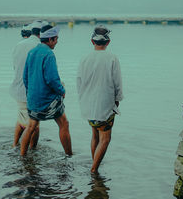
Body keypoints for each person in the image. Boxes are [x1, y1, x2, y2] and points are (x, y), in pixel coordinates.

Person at [76, 25, 123, 173]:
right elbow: (117, 83)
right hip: (105, 105)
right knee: (106, 139)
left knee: (95, 134)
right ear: (108, 42)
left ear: (92, 41)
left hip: (88, 105)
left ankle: (94, 162)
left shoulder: (84, 58)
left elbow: (79, 82)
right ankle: (94, 170)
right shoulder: (112, 58)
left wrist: (83, 99)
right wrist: (117, 100)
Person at [20, 24, 72, 156]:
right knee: (64, 124)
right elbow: (52, 79)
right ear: (50, 40)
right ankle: (69, 155)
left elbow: (25, 77)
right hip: (47, 100)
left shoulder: (31, 52)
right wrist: (62, 91)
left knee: (31, 126)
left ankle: (22, 155)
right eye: (56, 39)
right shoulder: (49, 54)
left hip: (32, 98)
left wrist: (30, 93)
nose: (57, 41)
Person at [9, 20, 46, 147]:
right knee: (34, 126)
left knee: (21, 119)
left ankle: (15, 145)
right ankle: (31, 153)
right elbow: (41, 73)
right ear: (42, 34)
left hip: (17, 89)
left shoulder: (19, 45)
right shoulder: (40, 47)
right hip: (31, 92)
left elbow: (15, 67)